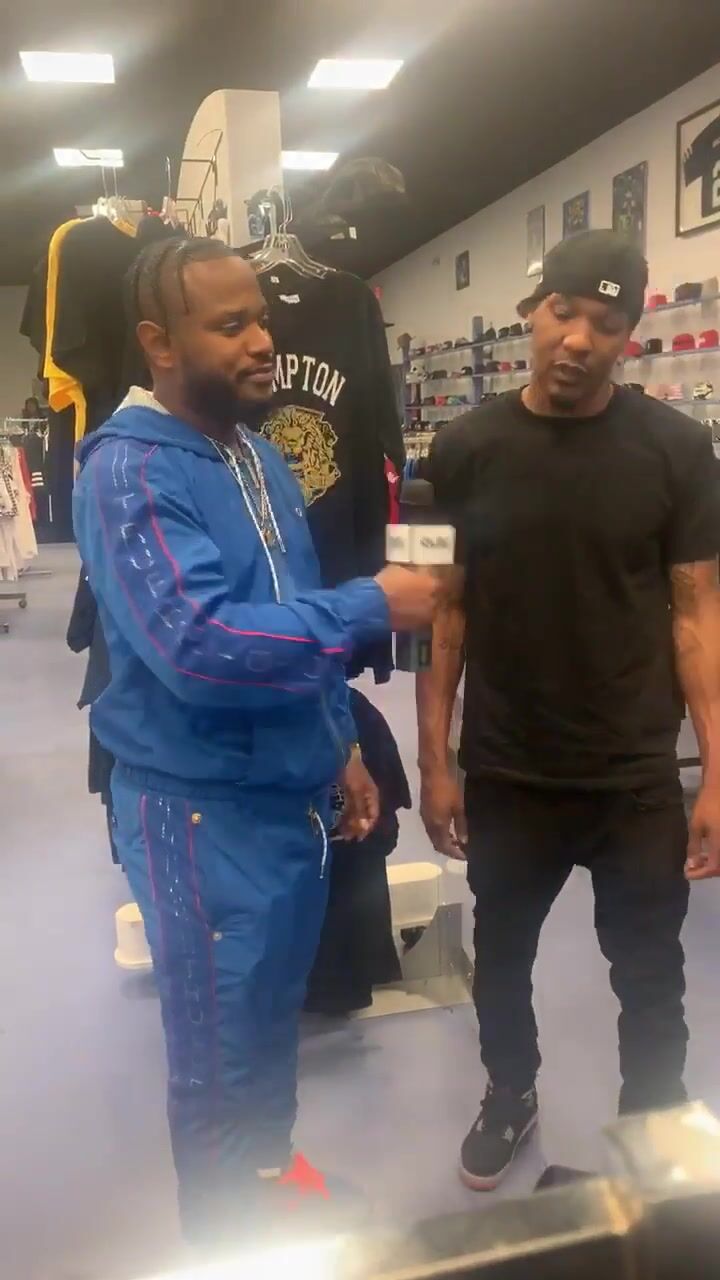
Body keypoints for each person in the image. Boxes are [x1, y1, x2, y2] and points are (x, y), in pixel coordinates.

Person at [73, 237, 441, 1245]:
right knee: (218, 1045)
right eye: (229, 325)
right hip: (199, 812)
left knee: (272, 1013)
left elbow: (286, 606)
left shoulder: (256, 452)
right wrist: (373, 603)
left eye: (262, 320)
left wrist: (341, 742)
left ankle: (270, 1174)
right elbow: (199, 646)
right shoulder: (130, 471)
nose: (262, 342)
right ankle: (225, 1234)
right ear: (160, 342)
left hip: (287, 794)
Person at [417, 230, 720, 1192]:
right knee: (501, 957)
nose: (579, 339)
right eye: (563, 313)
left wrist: (718, 774)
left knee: (652, 978)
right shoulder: (463, 449)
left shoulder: (679, 449)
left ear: (630, 334)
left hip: (633, 774)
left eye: (606, 322)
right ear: (530, 313)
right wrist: (434, 761)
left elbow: (697, 615)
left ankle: (654, 1143)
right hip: (510, 767)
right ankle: (511, 1092)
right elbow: (443, 612)